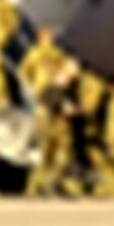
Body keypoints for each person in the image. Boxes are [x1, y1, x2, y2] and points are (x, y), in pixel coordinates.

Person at [29, 57, 82, 196]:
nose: (71, 78)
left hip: (53, 128)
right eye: (70, 74)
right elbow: (63, 107)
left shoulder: (60, 89)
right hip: (50, 128)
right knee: (56, 157)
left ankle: (44, 186)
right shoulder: (55, 89)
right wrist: (73, 110)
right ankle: (49, 185)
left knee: (52, 158)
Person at [19, 27, 67, 99]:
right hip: (41, 88)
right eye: (47, 37)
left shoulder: (56, 51)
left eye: (50, 37)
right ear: (40, 39)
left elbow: (64, 65)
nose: (50, 39)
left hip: (55, 86)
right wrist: (26, 85)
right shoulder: (33, 52)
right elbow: (22, 71)